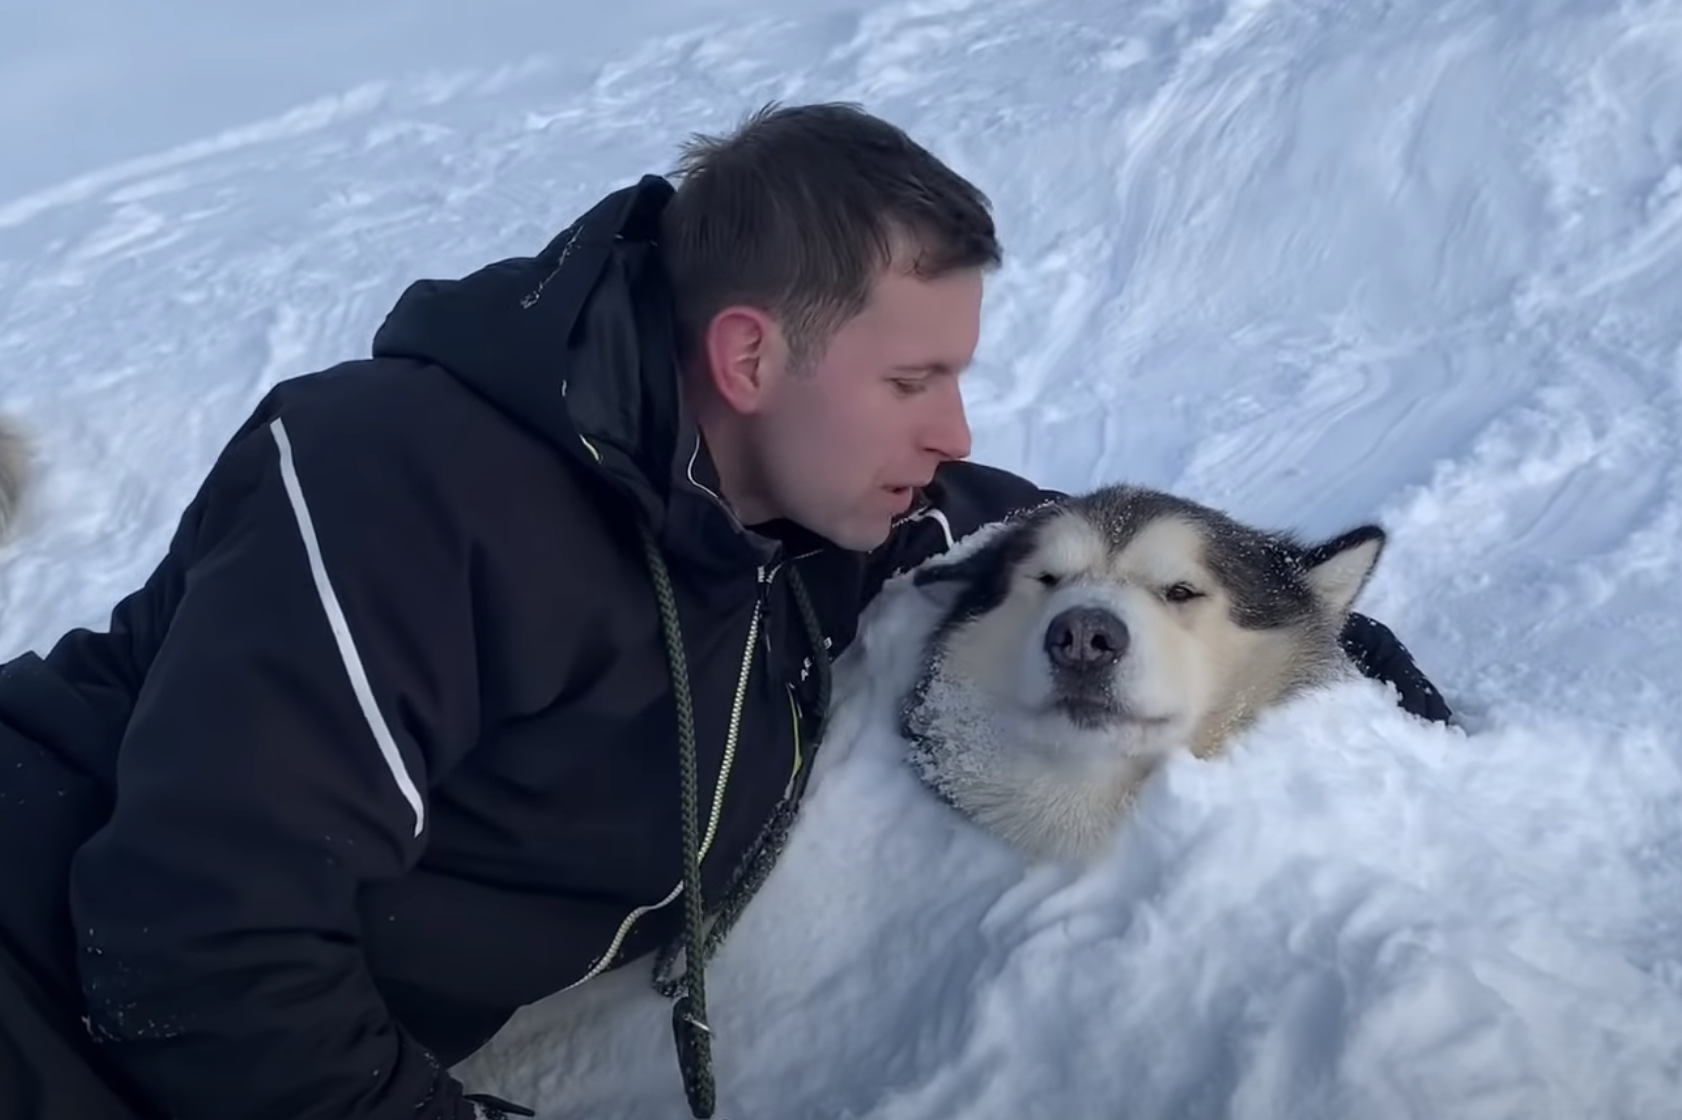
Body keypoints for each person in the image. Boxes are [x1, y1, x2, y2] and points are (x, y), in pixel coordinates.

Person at [0, 101, 1454, 1120]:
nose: (950, 427)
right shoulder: (399, 482)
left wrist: (1318, 630)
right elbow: (195, 943)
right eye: (911, 382)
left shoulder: (810, 514)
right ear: (750, 355)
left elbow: (1068, 539)